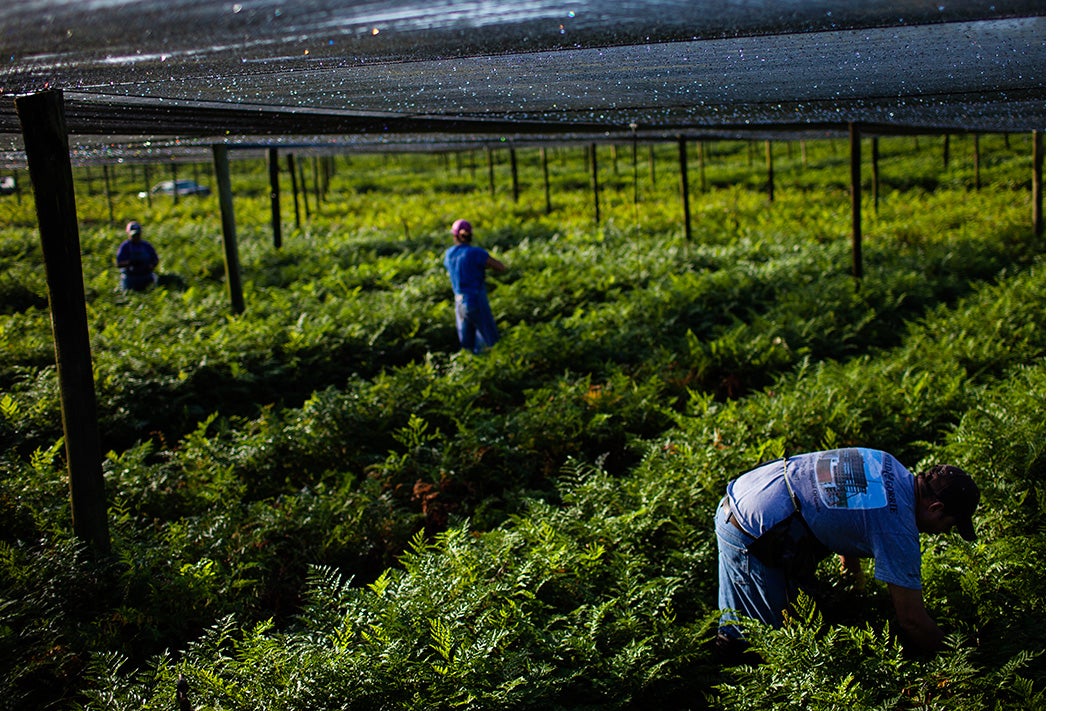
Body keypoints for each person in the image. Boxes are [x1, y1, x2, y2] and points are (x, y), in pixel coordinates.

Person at [715, 448, 979, 658]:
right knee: (773, 644)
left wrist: (853, 589)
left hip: (744, 493)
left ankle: (724, 651)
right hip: (756, 531)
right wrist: (961, 656)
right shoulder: (899, 530)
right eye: (950, 525)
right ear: (935, 508)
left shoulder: (887, 464)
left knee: (737, 621)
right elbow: (912, 620)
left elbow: (849, 509)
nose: (944, 533)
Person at [443, 218, 507, 353]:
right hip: (475, 300)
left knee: (467, 346)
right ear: (470, 235)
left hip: (459, 304)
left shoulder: (449, 254)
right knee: (491, 341)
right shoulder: (476, 253)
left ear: (455, 236)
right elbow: (500, 267)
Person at [116, 220, 159, 291]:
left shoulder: (146, 246)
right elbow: (119, 263)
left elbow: (155, 259)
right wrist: (131, 263)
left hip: (146, 277)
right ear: (128, 234)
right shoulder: (125, 247)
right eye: (133, 235)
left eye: (137, 235)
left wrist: (151, 265)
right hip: (130, 279)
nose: (136, 237)